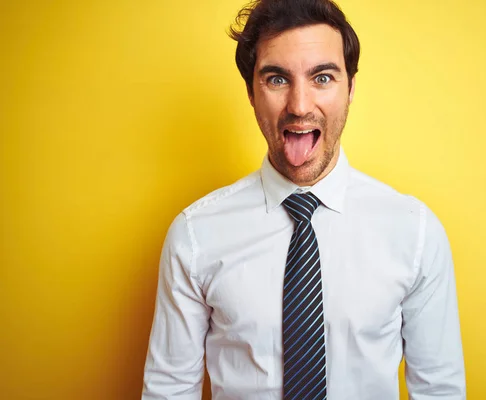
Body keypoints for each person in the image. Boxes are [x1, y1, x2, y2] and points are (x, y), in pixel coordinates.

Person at [142, 0, 466, 398]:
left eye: (323, 78)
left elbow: (440, 391)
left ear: (350, 89)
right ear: (250, 92)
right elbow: (169, 391)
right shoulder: (195, 236)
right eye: (276, 79)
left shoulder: (414, 232)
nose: (298, 106)